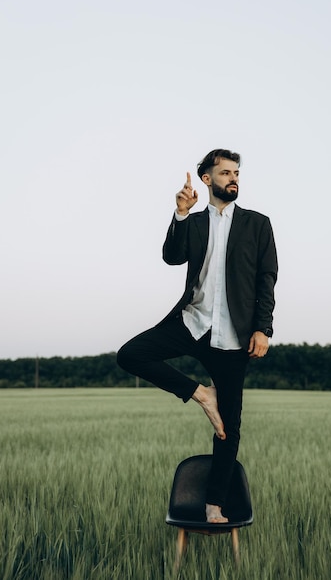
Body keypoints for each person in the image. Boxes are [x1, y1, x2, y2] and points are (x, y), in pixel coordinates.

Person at [117, 148, 278, 523]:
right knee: (130, 355)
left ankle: (214, 504)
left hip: (234, 337)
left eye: (236, 172)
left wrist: (263, 327)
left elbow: (266, 279)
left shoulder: (258, 224)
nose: (233, 178)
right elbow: (172, 257)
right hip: (192, 323)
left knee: (228, 428)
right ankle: (200, 393)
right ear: (207, 180)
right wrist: (181, 214)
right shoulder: (193, 222)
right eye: (224, 173)